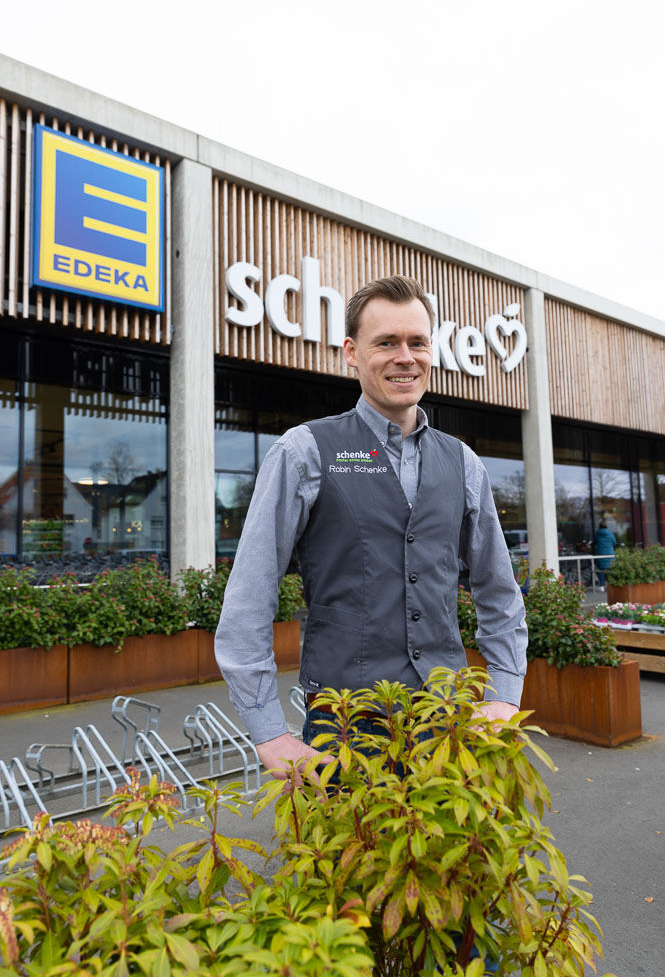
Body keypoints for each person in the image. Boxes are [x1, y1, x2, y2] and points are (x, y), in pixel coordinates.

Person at [215, 275, 527, 785]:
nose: (405, 356)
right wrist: (268, 730)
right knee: (343, 864)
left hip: (446, 724)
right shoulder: (304, 451)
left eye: (417, 342)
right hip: (345, 727)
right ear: (351, 354)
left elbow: (498, 590)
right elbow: (249, 594)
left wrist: (504, 694)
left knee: (447, 864)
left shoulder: (464, 463)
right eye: (386, 343)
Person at [593, 520, 617, 591]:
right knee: (610, 569)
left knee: (601, 570)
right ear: (606, 526)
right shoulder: (610, 533)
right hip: (609, 554)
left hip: (600, 554)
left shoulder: (597, 534)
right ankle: (610, 584)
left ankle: (601, 586)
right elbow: (614, 542)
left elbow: (594, 543)